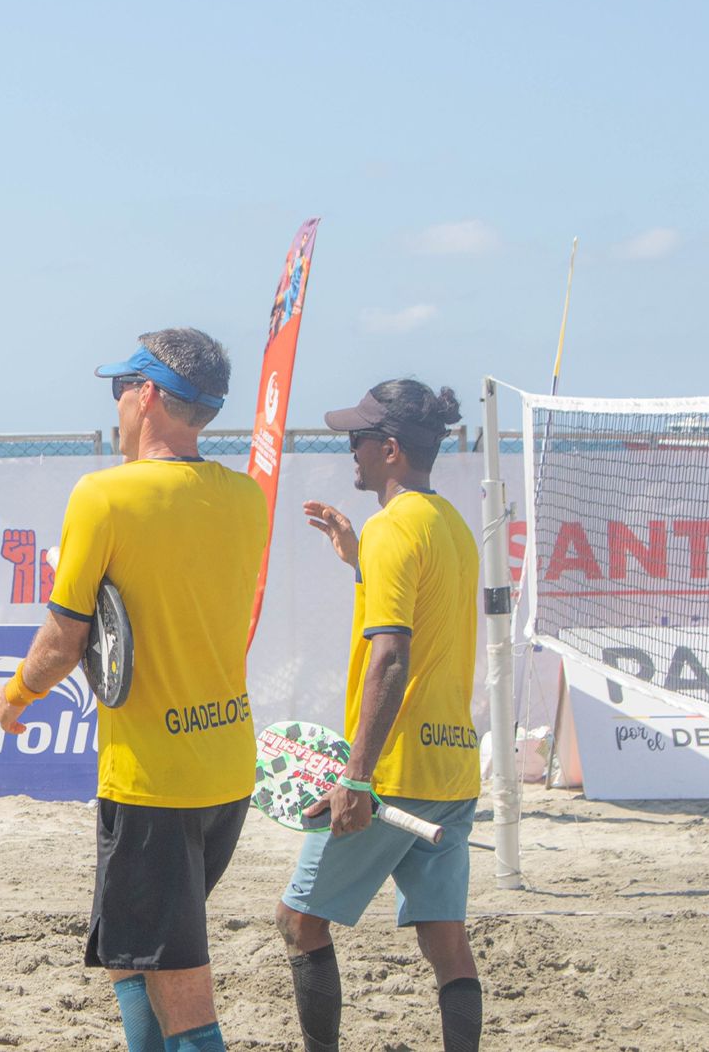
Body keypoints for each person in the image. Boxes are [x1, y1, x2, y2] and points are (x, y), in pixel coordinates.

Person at [0, 328, 269, 1052]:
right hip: (228, 764)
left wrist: (14, 697)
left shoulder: (104, 495)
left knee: (180, 978)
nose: (116, 405)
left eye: (120, 389)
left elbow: (62, 644)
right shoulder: (246, 499)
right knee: (130, 952)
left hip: (155, 778)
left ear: (147, 395)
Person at [274, 379, 483, 1052]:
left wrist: (355, 778)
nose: (351, 451)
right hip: (453, 768)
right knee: (446, 942)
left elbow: (391, 658)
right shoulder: (448, 523)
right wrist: (358, 559)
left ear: (390, 450)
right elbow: (420, 613)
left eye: (358, 440)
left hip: (394, 772)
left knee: (300, 921)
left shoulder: (394, 530)